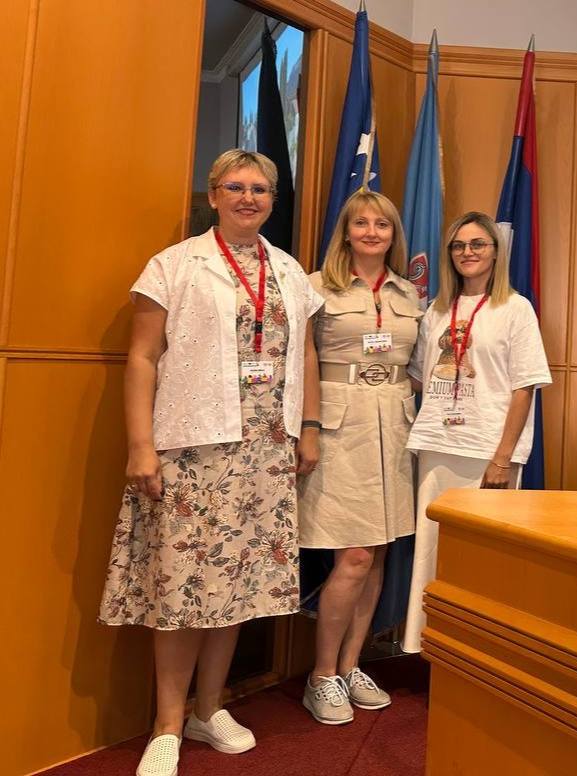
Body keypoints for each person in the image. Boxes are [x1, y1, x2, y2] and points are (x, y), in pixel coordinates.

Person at [99, 149, 323, 776]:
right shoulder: (174, 265)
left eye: (260, 189)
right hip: (193, 448)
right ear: (214, 194)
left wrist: (308, 428)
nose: (249, 198)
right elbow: (142, 357)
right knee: (180, 587)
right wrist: (140, 445)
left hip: (265, 451)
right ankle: (167, 725)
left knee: (238, 585)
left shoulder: (289, 271)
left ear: (272, 199)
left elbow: (305, 354)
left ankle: (208, 708)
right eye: (236, 187)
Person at [401, 211, 551, 654]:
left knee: (485, 559)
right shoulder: (437, 310)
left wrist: (502, 458)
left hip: (488, 452)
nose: (467, 252)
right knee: (432, 553)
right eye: (459, 245)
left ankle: (481, 653)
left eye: (477, 244)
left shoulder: (515, 309)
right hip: (437, 446)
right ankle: (431, 646)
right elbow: (418, 377)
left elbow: (525, 387)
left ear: (495, 252)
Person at [298, 190, 421, 725]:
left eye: (383, 225)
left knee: (378, 553)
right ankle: (321, 675)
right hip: (338, 429)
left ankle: (351, 665)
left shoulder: (409, 293)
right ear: (345, 231)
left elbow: (420, 363)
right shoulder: (313, 287)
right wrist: (306, 428)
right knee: (352, 556)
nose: (372, 232)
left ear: (394, 235)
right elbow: (299, 363)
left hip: (393, 427)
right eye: (362, 223)